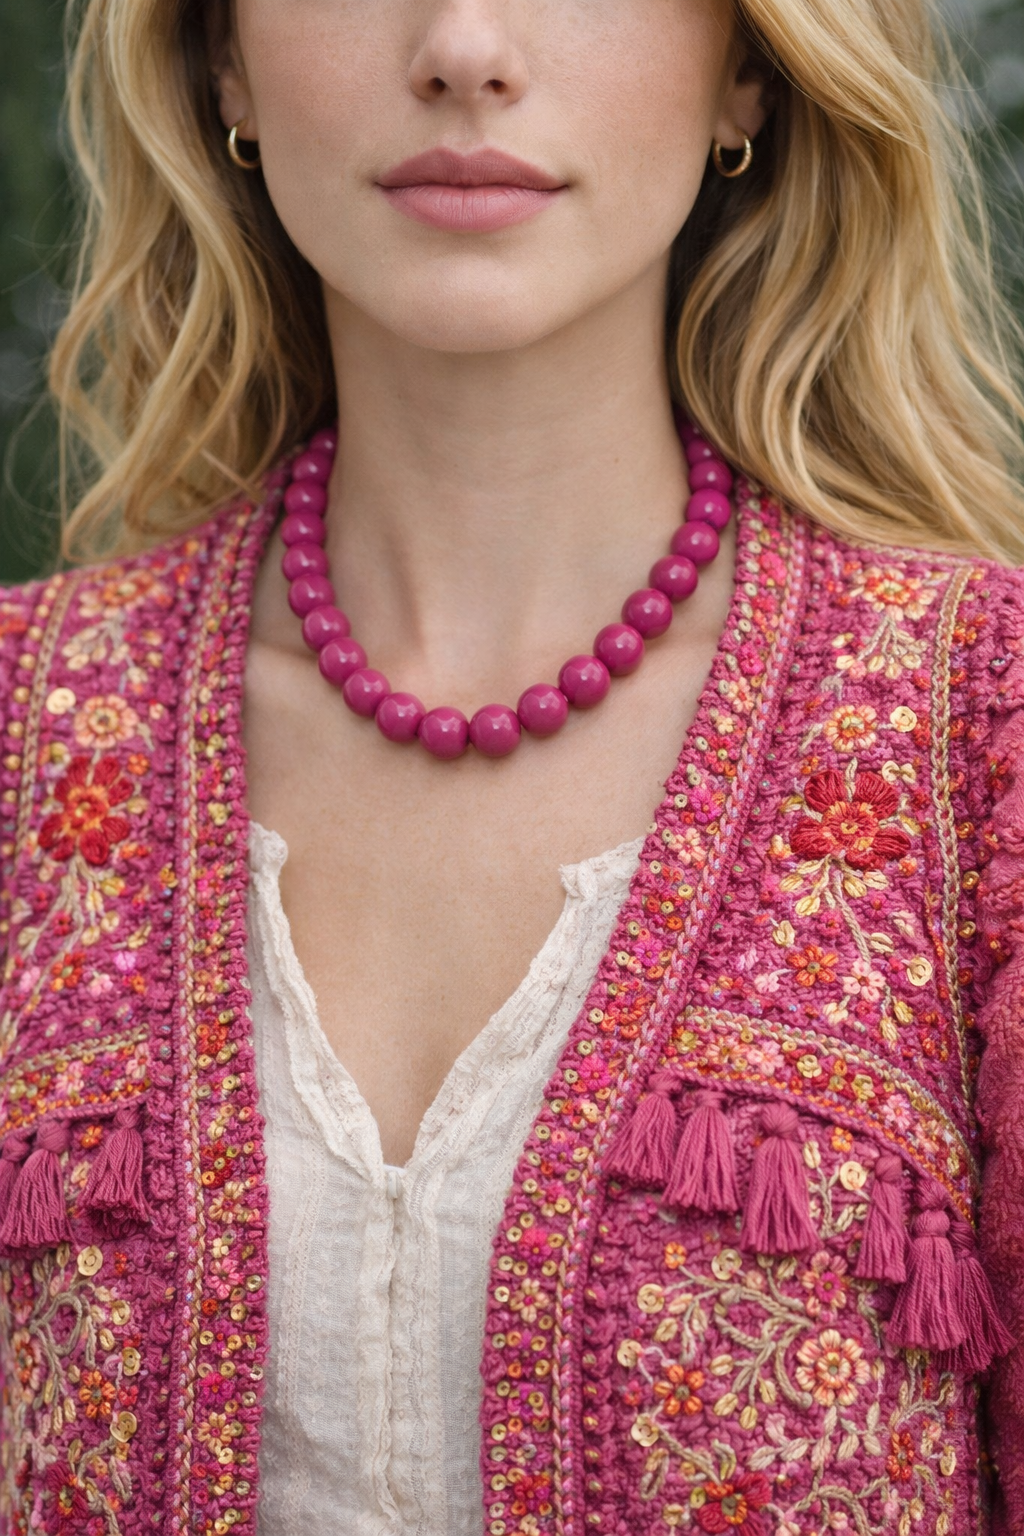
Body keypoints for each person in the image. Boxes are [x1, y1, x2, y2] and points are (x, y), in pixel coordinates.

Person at [2, 0, 1024, 1530]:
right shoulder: (25, 727)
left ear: (747, 60)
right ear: (222, 59)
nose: (465, 46)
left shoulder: (981, 728)